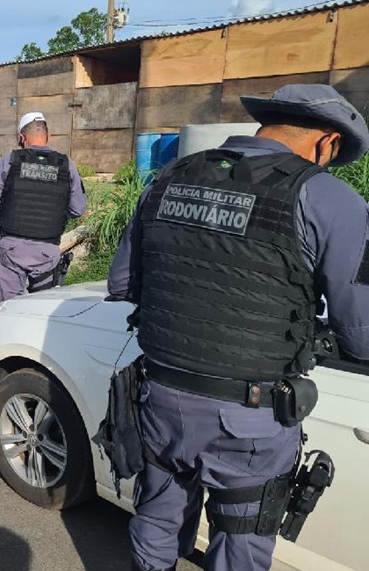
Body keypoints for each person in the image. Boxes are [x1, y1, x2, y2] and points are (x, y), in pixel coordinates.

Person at [106, 84, 369, 571]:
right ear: (326, 143)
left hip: (161, 398)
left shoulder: (171, 175)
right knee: (240, 544)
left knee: (158, 523)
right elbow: (362, 334)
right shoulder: (332, 200)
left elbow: (122, 282)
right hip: (250, 418)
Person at [0, 112, 86, 303]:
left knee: (8, 309)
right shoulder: (66, 165)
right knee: (42, 308)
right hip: (47, 250)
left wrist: (9, 206)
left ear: (22, 137)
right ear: (49, 136)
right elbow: (77, 209)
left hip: (13, 247)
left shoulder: (9, 160)